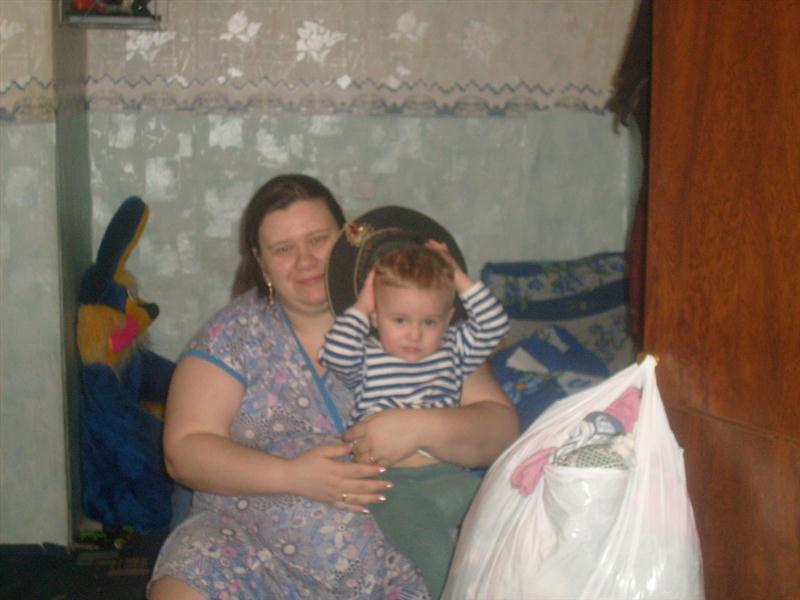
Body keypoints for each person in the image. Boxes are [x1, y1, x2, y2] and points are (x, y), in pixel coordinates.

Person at [147, 174, 519, 600]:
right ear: (261, 263)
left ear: (346, 240)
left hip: (399, 551)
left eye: (317, 240)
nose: (304, 261)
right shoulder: (231, 336)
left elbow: (502, 428)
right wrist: (292, 476)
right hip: (248, 545)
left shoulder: (409, 317)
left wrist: (419, 427)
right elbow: (185, 450)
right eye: (283, 249)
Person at [318, 240, 510, 598]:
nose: (414, 334)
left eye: (429, 322)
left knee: (508, 512)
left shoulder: (454, 350)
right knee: (438, 557)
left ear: (447, 319)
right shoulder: (367, 357)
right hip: (394, 487)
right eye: (400, 320)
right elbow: (337, 351)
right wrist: (363, 304)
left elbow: (495, 323)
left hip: (448, 474)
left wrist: (455, 274)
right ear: (377, 318)